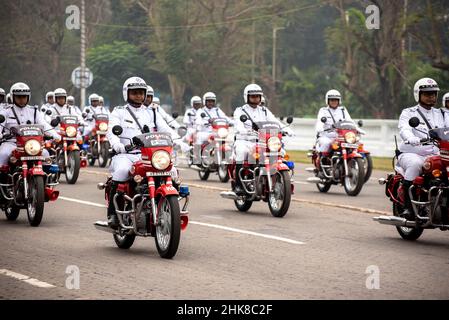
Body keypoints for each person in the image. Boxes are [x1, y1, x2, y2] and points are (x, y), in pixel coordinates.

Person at [106, 77, 180, 228]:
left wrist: (180, 142)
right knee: (121, 171)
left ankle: (171, 206)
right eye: (134, 93)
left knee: (172, 171)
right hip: (126, 155)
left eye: (141, 93)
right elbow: (111, 132)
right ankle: (113, 213)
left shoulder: (152, 112)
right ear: (127, 94)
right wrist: (118, 145)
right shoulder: (119, 112)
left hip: (148, 155)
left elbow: (166, 130)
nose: (139, 96)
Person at [397, 77, 448, 218]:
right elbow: (404, 129)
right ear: (418, 94)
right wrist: (411, 138)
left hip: (437, 154)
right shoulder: (409, 113)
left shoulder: (442, 113)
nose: (431, 97)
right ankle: (407, 207)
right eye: (427, 94)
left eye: (433, 94)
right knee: (416, 164)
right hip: (412, 153)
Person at [232, 84, 286, 195]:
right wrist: (242, 130)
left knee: (281, 152)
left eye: (257, 96)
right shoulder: (240, 111)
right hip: (245, 140)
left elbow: (275, 121)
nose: (255, 98)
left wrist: (286, 129)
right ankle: (238, 185)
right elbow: (238, 123)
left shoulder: (264, 111)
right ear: (246, 97)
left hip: (261, 140)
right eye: (253, 96)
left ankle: (279, 179)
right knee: (242, 153)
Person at [0, 82, 60, 171]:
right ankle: (3, 182)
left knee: (45, 154)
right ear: (13, 97)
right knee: (4, 154)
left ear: (28, 97)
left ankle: (47, 180)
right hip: (11, 143)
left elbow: (43, 124)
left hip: (31, 144)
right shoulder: (6, 111)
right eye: (18, 97)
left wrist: (54, 135)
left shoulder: (34, 111)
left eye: (24, 96)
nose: (21, 99)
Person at [314, 89, 354, 156]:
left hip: (341, 136)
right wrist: (319, 127)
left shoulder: (343, 110)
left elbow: (350, 120)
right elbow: (320, 121)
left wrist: (357, 128)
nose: (334, 102)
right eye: (332, 100)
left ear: (339, 101)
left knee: (355, 142)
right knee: (326, 143)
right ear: (328, 101)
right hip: (327, 136)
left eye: (336, 100)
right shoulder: (323, 110)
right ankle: (322, 159)